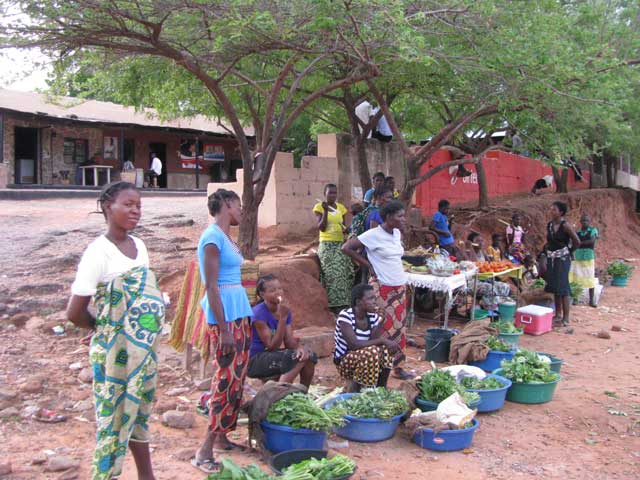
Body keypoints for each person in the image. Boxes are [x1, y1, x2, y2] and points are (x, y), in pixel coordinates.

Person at [66, 182, 164, 480]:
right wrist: (103, 327)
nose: (135, 211)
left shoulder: (140, 246)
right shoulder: (98, 253)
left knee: (139, 414)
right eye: (128, 204)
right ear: (108, 206)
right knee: (114, 419)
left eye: (139, 206)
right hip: (115, 356)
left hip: (143, 353)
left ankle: (147, 476)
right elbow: (74, 312)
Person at [194, 189, 254, 473]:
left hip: (237, 313)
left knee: (236, 378)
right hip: (226, 318)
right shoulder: (212, 238)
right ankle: (204, 450)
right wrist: (224, 329)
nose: (242, 211)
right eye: (239, 205)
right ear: (228, 204)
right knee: (225, 379)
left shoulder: (226, 238)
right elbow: (211, 286)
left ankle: (221, 437)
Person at [342, 200, 414, 380]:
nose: (403, 219)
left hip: (399, 287)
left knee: (399, 329)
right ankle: (378, 365)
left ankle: (397, 367)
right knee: (382, 328)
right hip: (382, 288)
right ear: (388, 217)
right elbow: (346, 248)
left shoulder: (397, 233)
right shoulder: (373, 234)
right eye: (400, 216)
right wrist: (368, 265)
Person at [247, 274, 317, 387]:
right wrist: (282, 319)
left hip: (272, 355)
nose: (278, 292)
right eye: (272, 290)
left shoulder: (284, 311)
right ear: (262, 294)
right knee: (295, 358)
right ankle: (279, 392)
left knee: (308, 356)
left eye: (279, 288)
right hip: (255, 360)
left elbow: (289, 342)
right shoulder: (258, 313)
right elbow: (271, 346)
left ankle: (304, 394)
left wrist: (300, 348)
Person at [333, 284, 399, 392]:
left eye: (374, 298)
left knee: (385, 350)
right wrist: (383, 340)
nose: (374, 302)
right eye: (370, 298)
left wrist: (380, 322)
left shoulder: (372, 316)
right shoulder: (346, 315)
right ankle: (355, 391)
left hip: (365, 359)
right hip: (344, 361)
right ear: (358, 301)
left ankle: (381, 389)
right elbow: (354, 345)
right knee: (372, 351)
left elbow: (372, 341)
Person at [313, 184, 353, 312]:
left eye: (335, 193)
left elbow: (344, 227)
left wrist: (347, 230)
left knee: (346, 270)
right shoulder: (320, 207)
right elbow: (321, 227)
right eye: (330, 193)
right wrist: (325, 211)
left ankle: (344, 302)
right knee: (332, 272)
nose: (333, 196)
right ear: (325, 193)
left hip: (340, 244)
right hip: (327, 244)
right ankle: (333, 305)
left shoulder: (341, 208)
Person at [544, 201, 581, 326]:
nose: (551, 211)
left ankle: (566, 318)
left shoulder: (565, 226)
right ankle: (558, 314)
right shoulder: (549, 225)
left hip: (563, 259)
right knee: (555, 286)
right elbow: (549, 242)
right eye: (551, 209)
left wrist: (569, 251)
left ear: (560, 212)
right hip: (552, 258)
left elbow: (577, 241)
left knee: (563, 287)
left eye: (554, 209)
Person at [569, 214, 599, 307]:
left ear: (589, 222)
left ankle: (591, 301)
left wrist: (579, 243)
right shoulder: (577, 232)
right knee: (576, 278)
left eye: (586, 221)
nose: (585, 222)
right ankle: (575, 299)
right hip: (578, 257)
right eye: (583, 221)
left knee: (590, 278)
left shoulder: (593, 230)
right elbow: (573, 243)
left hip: (588, 258)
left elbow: (592, 241)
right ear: (580, 222)